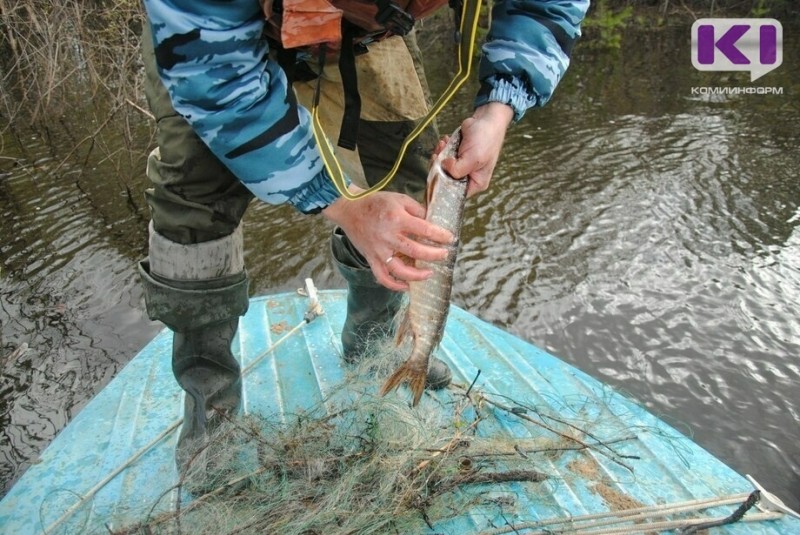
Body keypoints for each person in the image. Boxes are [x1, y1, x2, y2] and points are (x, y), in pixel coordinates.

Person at [138, 0, 588, 470]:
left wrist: (500, 108)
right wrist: (343, 202)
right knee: (192, 206)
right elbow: (217, 82)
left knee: (404, 183)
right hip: (218, 44)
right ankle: (212, 410)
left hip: (367, 31)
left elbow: (548, 6)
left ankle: (373, 350)